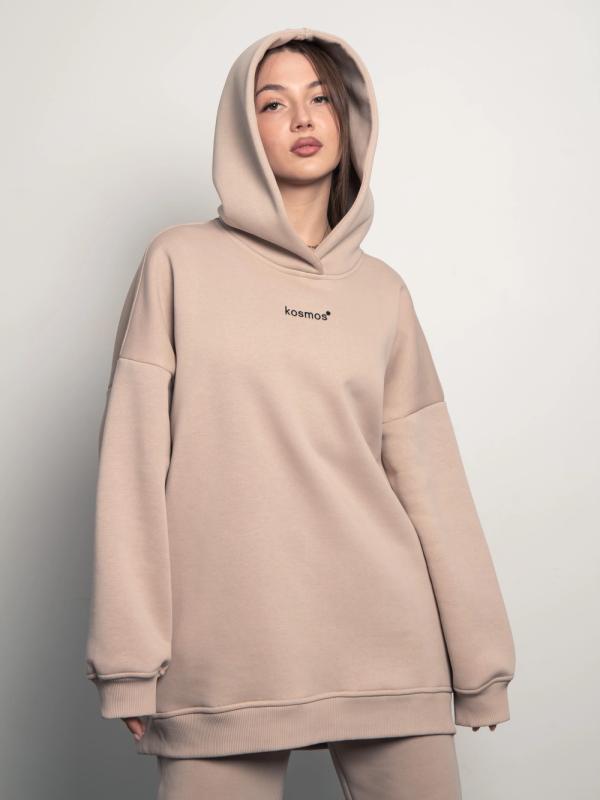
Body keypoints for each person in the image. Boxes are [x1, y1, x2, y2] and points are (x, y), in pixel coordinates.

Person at [84, 27, 516, 799]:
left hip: (389, 640)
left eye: (321, 98)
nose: (303, 118)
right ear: (241, 129)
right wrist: (129, 659)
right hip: (225, 653)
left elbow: (431, 480)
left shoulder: (382, 292)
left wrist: (481, 664)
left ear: (349, 120)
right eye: (273, 103)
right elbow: (132, 467)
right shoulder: (178, 262)